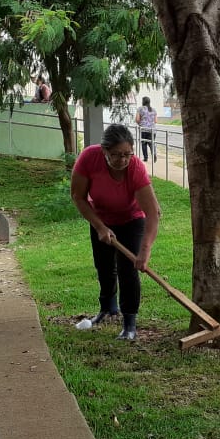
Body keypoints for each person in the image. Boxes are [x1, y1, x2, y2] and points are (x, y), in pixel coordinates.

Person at [70, 124, 160, 340]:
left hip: (131, 219)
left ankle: (129, 323)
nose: (122, 160)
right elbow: (78, 196)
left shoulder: (136, 169)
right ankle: (108, 309)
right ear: (104, 151)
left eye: (127, 154)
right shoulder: (89, 158)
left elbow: (153, 213)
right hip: (101, 218)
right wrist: (100, 227)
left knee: (128, 271)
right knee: (103, 266)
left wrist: (144, 252)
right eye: (116, 155)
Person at [135, 96, 157, 162]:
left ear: (143, 102)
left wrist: (140, 124)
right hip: (152, 130)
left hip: (144, 129)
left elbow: (137, 119)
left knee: (144, 143)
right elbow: (155, 121)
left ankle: (146, 158)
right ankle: (154, 154)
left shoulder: (140, 109)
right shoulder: (153, 110)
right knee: (151, 143)